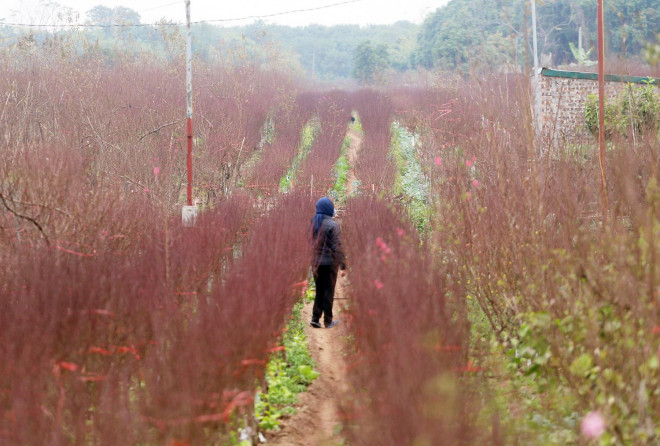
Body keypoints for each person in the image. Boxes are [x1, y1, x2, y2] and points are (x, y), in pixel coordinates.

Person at [310, 196, 346, 329]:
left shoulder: (313, 223)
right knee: (328, 291)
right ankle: (328, 321)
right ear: (328, 208)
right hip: (330, 263)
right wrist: (343, 264)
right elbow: (337, 246)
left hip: (315, 262)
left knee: (319, 290)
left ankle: (315, 318)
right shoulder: (333, 225)